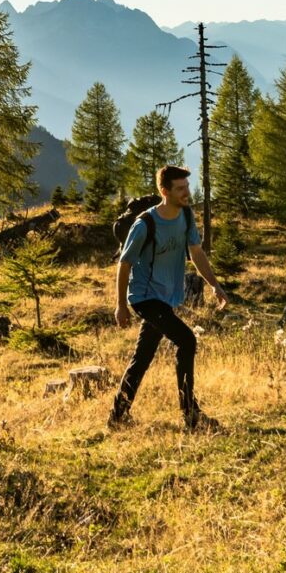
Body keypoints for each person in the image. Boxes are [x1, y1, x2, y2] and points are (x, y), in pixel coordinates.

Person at [110, 165, 229, 430]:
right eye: (180, 188)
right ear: (165, 192)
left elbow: (196, 253)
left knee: (143, 357)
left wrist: (215, 285)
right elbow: (124, 264)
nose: (187, 193)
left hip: (165, 297)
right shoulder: (145, 224)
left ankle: (117, 416)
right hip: (144, 297)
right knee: (186, 341)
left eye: (187, 187)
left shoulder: (186, 216)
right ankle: (190, 413)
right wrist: (120, 305)